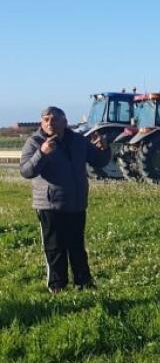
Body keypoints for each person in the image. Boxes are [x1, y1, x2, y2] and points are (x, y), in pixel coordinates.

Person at [19, 106, 111, 293]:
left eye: (54, 119)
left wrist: (104, 149)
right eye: (46, 120)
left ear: (65, 122)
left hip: (76, 203)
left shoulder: (78, 140)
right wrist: (42, 153)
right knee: (55, 248)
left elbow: (98, 161)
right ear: (41, 123)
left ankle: (83, 283)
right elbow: (26, 171)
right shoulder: (35, 142)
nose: (49, 123)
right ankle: (57, 286)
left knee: (77, 246)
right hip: (49, 204)